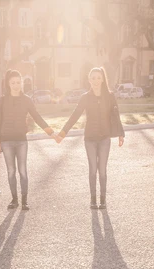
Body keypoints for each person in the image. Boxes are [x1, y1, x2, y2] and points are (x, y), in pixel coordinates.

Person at [55, 67, 125, 209]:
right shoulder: (85, 97)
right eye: (93, 78)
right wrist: (63, 133)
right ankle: (93, 199)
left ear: (103, 79)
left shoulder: (110, 96)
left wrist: (121, 133)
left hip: (105, 137)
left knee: (103, 169)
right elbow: (75, 115)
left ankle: (103, 200)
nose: (96, 81)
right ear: (89, 80)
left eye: (98, 78)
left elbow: (116, 115)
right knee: (93, 169)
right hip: (90, 139)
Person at [0, 70, 55, 210]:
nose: (16, 85)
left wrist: (50, 132)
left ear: (21, 83)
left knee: (23, 171)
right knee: (11, 171)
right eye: (13, 83)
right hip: (6, 141)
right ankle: (14, 200)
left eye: (18, 82)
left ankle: (24, 201)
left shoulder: (26, 100)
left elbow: (37, 117)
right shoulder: (2, 100)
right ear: (8, 84)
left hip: (21, 140)